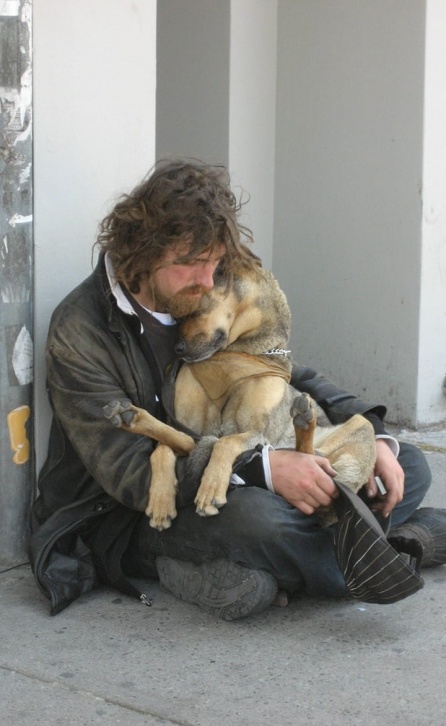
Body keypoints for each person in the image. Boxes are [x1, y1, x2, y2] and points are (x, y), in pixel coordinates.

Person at [29, 158, 446, 619]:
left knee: (404, 464)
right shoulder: (78, 331)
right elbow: (131, 476)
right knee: (259, 520)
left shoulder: (197, 292)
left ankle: (283, 568)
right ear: (142, 252)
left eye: (215, 263)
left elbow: (277, 368)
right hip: (126, 513)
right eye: (190, 264)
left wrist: (370, 428)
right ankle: (404, 544)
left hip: (232, 463)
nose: (207, 281)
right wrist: (264, 469)